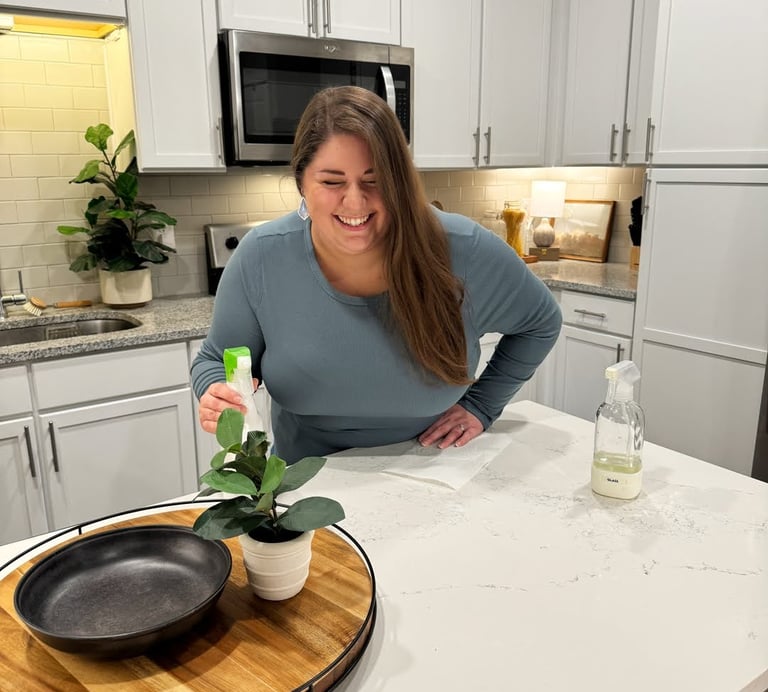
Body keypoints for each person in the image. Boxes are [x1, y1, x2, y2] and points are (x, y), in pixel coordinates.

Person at [191, 85, 562, 463]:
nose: (355, 201)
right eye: (332, 181)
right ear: (302, 182)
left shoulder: (463, 249)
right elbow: (213, 360)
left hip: (435, 467)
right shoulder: (261, 257)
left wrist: (483, 405)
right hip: (305, 479)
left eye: (375, 179)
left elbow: (541, 322)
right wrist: (216, 394)